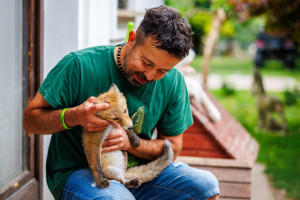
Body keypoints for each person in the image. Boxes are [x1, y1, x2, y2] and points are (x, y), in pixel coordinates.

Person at [23, 5, 220, 200]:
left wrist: (130, 144)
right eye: (147, 62)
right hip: (80, 172)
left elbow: (174, 148)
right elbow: (30, 121)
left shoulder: (174, 81)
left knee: (206, 187)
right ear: (132, 39)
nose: (150, 75)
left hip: (138, 172)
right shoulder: (79, 65)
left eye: (163, 70)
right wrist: (75, 116)